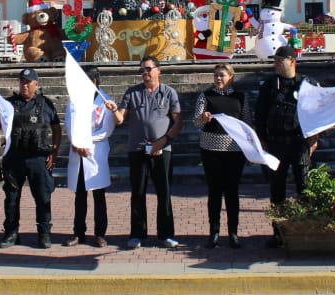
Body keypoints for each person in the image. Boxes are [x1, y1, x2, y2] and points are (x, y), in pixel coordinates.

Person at [108, 55, 183, 250]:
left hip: (162, 150)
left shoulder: (169, 93)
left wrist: (162, 142)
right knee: (138, 192)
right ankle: (137, 234)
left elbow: (178, 122)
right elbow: (120, 119)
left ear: (159, 70)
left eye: (148, 69)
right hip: (137, 149)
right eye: (142, 69)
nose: (145, 73)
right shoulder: (132, 92)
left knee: (164, 192)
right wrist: (114, 110)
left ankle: (166, 234)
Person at [254, 45, 319, 247]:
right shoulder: (269, 85)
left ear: (292, 61)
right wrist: (262, 139)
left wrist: (315, 138)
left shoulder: (308, 84)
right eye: (274, 60)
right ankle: (279, 232)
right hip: (276, 144)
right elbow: (260, 114)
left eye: (279, 60)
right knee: (277, 190)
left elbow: (319, 113)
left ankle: (306, 232)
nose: (275, 64)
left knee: (305, 188)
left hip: (299, 143)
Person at [0, 68, 61, 249]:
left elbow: (56, 128)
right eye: (22, 82)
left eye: (28, 82)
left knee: (42, 196)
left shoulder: (46, 104)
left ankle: (44, 233)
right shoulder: (9, 104)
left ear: (36, 84)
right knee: (11, 197)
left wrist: (55, 151)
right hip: (14, 157)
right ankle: (11, 233)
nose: (24, 85)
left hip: (38, 158)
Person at [193, 62, 250, 249]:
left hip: (234, 150)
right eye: (216, 75)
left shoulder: (240, 97)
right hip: (211, 149)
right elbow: (196, 122)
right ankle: (214, 232)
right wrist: (203, 118)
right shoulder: (205, 95)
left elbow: (247, 123)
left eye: (222, 75)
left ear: (230, 77)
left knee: (232, 191)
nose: (218, 78)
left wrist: (250, 149)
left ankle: (233, 232)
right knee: (214, 191)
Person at [65, 66, 114, 248]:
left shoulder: (105, 100)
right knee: (80, 197)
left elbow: (107, 130)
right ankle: (78, 233)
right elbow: (69, 123)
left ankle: (100, 234)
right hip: (78, 152)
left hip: (95, 153)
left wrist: (86, 141)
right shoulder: (74, 99)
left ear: (93, 81)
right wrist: (77, 141)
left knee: (99, 196)